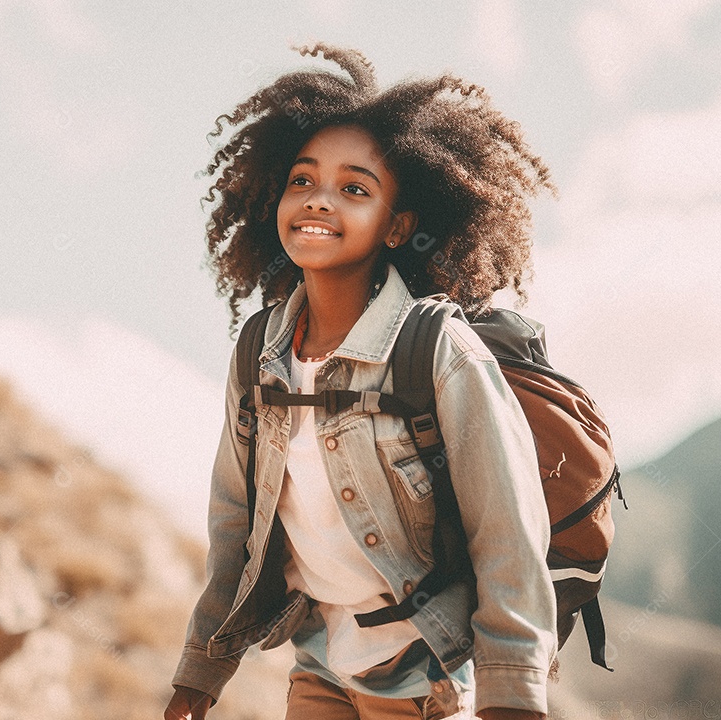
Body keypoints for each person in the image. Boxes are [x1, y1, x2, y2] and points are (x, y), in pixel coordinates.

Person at [164, 44, 558, 720]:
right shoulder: (260, 352)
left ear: (396, 225)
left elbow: (508, 538)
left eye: (354, 188)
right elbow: (234, 520)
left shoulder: (437, 351)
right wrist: (200, 669)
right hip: (320, 664)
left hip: (430, 677)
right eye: (302, 180)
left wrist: (512, 698)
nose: (318, 201)